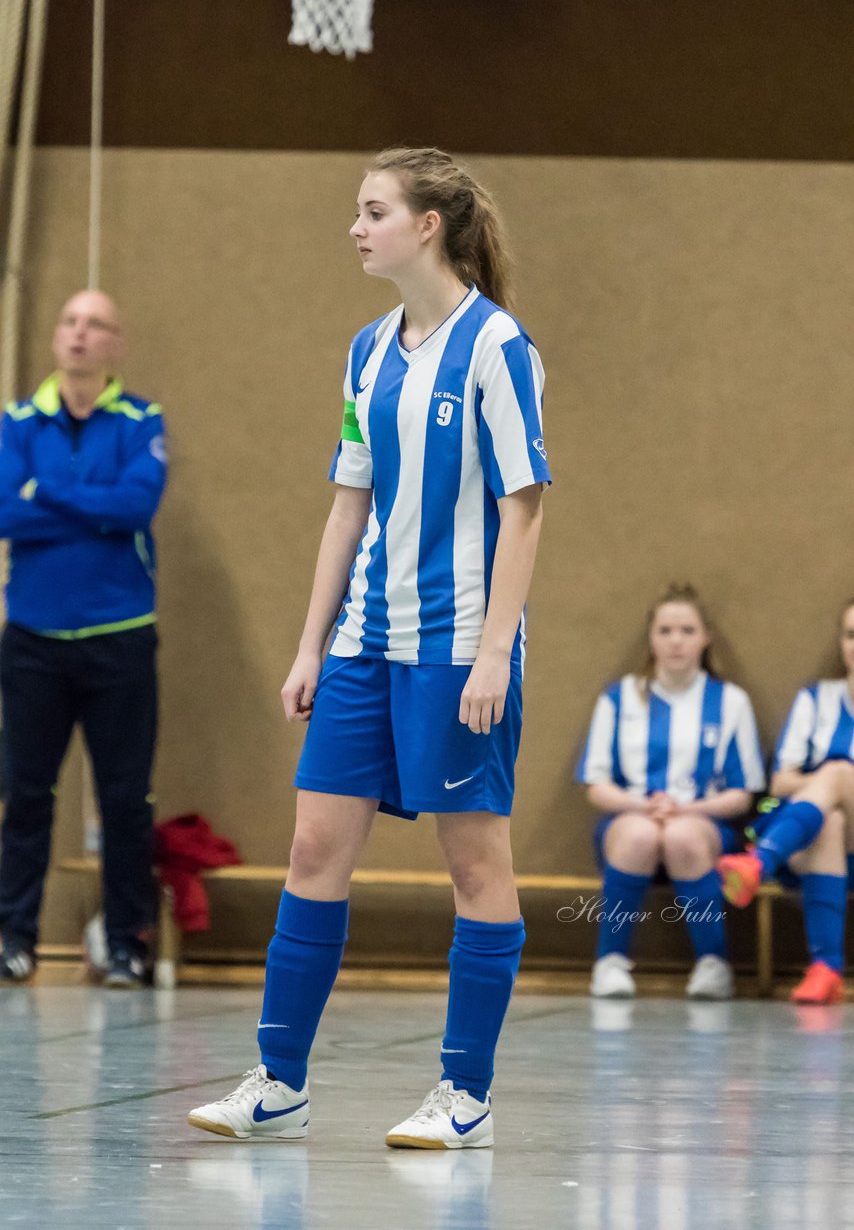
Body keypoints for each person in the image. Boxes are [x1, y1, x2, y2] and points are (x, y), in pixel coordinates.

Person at [188, 146, 550, 1149]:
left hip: (456, 647)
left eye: (373, 210)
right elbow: (348, 506)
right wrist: (311, 645)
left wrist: (493, 650)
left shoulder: (497, 346)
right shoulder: (364, 351)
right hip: (363, 641)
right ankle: (278, 1081)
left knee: (473, 861)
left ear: (427, 224)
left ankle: (465, 1093)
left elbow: (525, 509)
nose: (355, 227)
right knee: (312, 849)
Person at [0, 290, 167, 986]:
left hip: (119, 639)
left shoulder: (140, 420)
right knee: (26, 793)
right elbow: (5, 511)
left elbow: (136, 504)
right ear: (55, 336)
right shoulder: (16, 422)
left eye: (95, 324)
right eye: (69, 321)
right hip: (32, 640)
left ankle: (128, 942)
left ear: (114, 344)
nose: (78, 333)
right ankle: (15, 937)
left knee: (125, 800)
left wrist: (45, 492)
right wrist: (89, 509)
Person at [576, 584, 765, 1000]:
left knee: (681, 836)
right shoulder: (619, 698)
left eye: (687, 630)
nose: (676, 640)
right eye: (665, 630)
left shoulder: (730, 701)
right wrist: (643, 806)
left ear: (705, 637)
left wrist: (686, 810)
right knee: (640, 834)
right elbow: (597, 785)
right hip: (632, 818)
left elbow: (742, 795)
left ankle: (713, 964)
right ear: (651, 637)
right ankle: (610, 962)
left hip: (702, 825)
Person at [720, 599, 854, 1004]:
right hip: (818, 836)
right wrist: (830, 787)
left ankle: (760, 861)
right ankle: (826, 969)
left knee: (837, 771)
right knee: (829, 821)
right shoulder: (818, 699)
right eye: (851, 635)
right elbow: (780, 781)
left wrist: (836, 779)